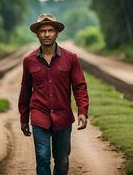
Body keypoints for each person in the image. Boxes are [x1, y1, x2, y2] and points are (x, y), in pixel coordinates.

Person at [18, 14, 89, 175]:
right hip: (39, 116)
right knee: (42, 157)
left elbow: (80, 87)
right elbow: (25, 91)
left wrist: (83, 111)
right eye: (43, 31)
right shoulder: (29, 61)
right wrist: (24, 118)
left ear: (57, 33)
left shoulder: (71, 58)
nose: (47, 34)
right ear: (37, 34)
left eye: (50, 30)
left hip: (63, 117)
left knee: (62, 161)